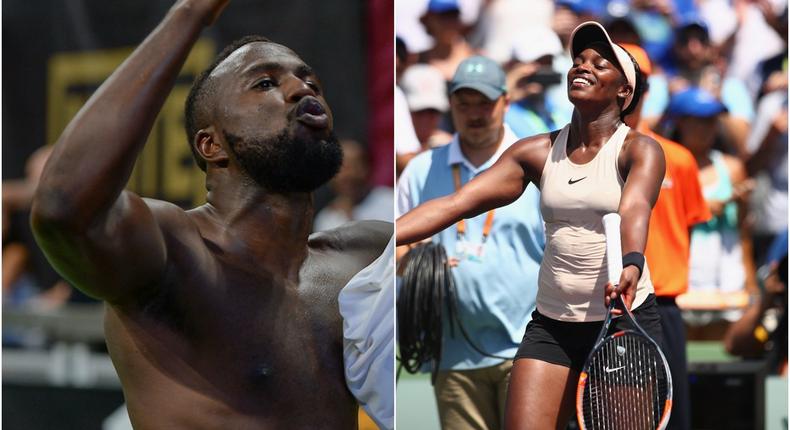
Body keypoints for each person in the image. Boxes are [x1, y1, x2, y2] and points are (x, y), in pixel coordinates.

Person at [30, 1, 391, 428]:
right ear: (211, 145)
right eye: (264, 83)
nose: (301, 89)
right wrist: (191, 13)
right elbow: (63, 208)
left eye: (309, 79)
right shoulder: (176, 253)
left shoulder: (366, 254)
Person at [396, 21, 666, 428]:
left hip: (622, 320)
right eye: (578, 60)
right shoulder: (536, 151)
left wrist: (631, 263)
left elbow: (635, 208)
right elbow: (457, 203)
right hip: (552, 326)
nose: (583, 67)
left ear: (623, 92)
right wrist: (384, 237)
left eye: (600, 64)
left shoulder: (640, 149)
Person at [397, 55, 545, 430]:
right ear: (452, 107)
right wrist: (416, 262)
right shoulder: (421, 169)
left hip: (530, 350)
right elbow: (394, 245)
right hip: (452, 355)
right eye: (464, 105)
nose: (475, 114)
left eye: (485, 103)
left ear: (506, 102)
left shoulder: (540, 166)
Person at [622, 43, 711, 430]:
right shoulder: (582, 157)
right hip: (611, 304)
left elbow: (687, 226)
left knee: (670, 419)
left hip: (663, 305)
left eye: (635, 83)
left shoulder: (679, 159)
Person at [313, 139, 393, 232]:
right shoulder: (326, 218)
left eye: (353, 166)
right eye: (338, 170)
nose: (346, 175)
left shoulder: (390, 201)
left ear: (367, 167)